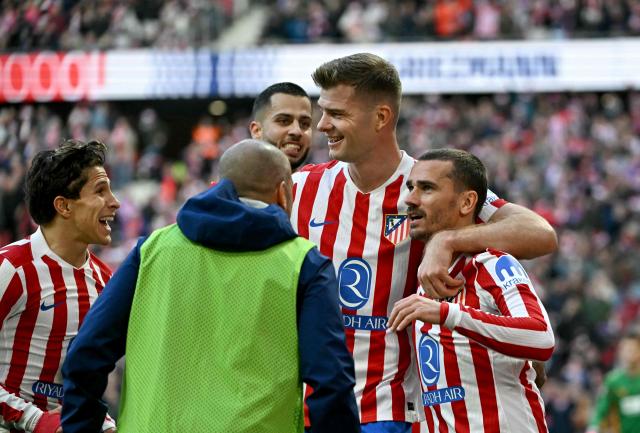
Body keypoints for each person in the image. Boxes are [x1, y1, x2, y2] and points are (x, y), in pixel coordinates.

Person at [291, 53, 557, 432]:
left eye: (337, 114)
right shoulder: (304, 187)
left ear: (381, 117)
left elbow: (539, 233)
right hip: (311, 408)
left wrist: (446, 239)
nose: (322, 126)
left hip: (392, 408)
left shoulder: (427, 189)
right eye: (323, 111)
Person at [60, 139, 360, 433]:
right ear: (283, 194)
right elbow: (331, 383)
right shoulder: (304, 264)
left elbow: (85, 355)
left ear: (219, 185)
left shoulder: (152, 250)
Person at [387, 148, 555, 432]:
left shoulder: (491, 264)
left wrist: (448, 313)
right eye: (411, 187)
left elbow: (540, 338)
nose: (410, 199)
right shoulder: (426, 282)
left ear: (467, 202)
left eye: (426, 189)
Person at [0, 139, 119, 433]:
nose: (114, 202)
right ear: (63, 206)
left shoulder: (105, 281)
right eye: (100, 191)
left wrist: (102, 423)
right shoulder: (11, 268)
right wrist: (34, 419)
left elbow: (85, 383)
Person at [250, 82, 313, 170]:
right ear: (257, 131)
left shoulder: (326, 183)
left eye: (305, 124)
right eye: (284, 121)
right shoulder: (233, 182)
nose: (297, 131)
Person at [586, 329, 640, 433]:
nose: (626, 353)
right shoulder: (613, 381)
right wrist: (593, 428)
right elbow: (601, 409)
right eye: (623, 348)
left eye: (630, 349)